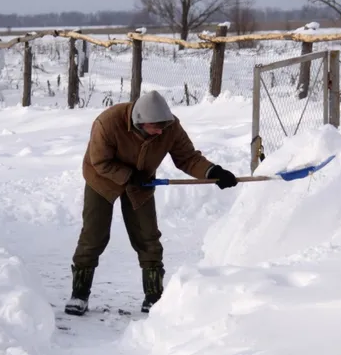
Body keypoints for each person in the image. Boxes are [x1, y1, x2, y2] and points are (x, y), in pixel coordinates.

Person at [64, 90, 238, 316]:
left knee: (148, 237)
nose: (160, 131)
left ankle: (154, 296)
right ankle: (79, 294)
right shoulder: (107, 123)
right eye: (155, 127)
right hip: (102, 180)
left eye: (163, 126)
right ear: (139, 122)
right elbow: (100, 161)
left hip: (141, 183)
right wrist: (128, 176)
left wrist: (212, 171)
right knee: (94, 235)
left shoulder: (170, 127)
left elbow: (187, 157)